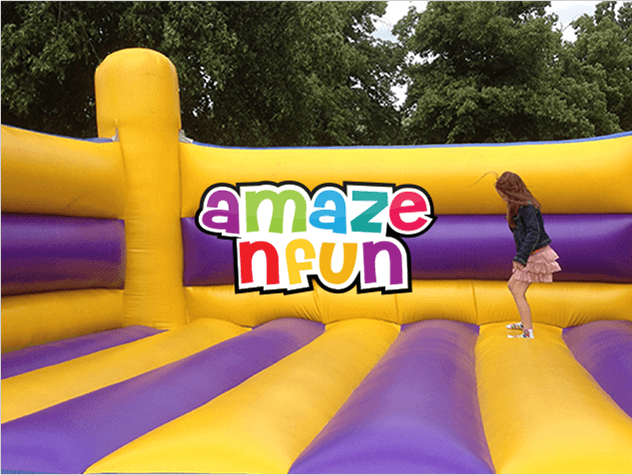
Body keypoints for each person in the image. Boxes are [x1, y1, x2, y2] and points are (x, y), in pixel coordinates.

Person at [494, 171, 561, 339]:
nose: (503, 197)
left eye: (504, 194)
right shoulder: (517, 205)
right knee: (512, 285)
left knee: (518, 291)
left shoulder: (527, 206)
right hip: (530, 253)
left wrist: (521, 258)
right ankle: (525, 322)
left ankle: (528, 331)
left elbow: (533, 232)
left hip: (536, 253)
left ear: (511, 191)